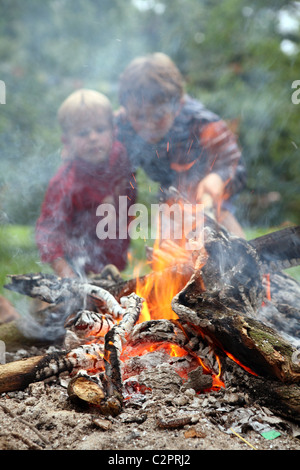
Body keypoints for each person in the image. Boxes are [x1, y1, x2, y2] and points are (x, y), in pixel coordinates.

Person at [115, 52, 246, 238]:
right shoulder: (121, 125)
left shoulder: (202, 124)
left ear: (177, 106)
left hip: (206, 190)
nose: (148, 124)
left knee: (219, 216)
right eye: (139, 116)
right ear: (126, 110)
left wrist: (218, 177)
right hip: (170, 190)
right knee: (173, 234)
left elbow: (234, 164)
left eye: (158, 116)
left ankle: (251, 261)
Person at [36, 89, 136, 278]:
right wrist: (68, 276)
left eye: (100, 129)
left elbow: (136, 124)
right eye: (82, 133)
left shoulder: (123, 156)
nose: (92, 137)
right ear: (66, 141)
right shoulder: (65, 183)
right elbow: (48, 234)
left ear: (113, 131)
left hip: (112, 263)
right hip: (78, 265)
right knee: (75, 305)